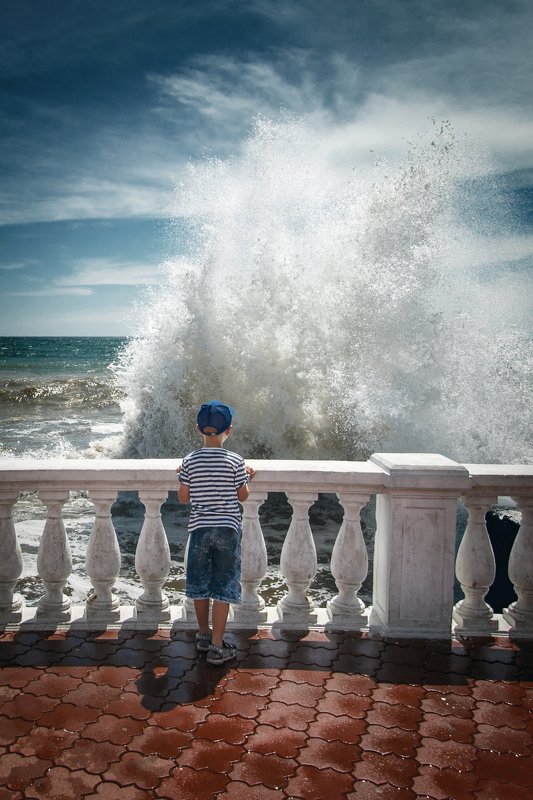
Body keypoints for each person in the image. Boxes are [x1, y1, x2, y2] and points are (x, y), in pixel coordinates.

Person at [177, 400, 255, 665]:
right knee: (223, 585)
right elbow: (242, 496)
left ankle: (202, 634)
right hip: (227, 530)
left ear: (198, 428)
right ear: (229, 430)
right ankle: (218, 646)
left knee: (199, 583)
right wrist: (247, 477)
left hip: (200, 529)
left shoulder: (189, 461)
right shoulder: (236, 461)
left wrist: (185, 476)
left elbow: (184, 498)